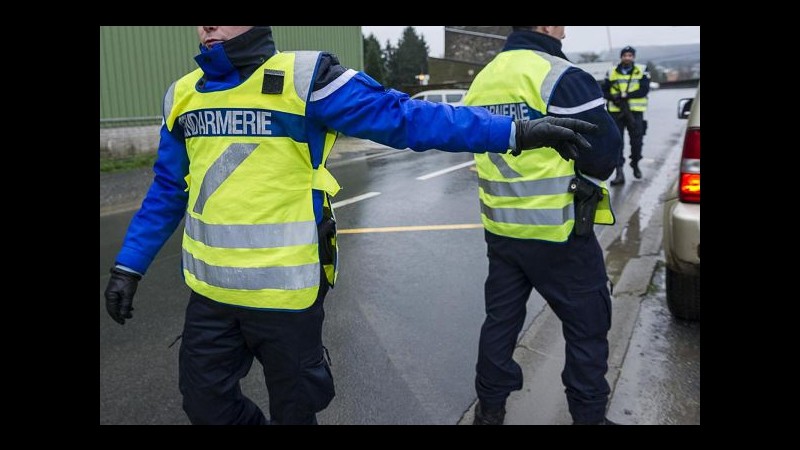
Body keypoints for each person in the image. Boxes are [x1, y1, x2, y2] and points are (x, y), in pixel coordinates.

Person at [102, 26, 599, 426]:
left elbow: (407, 118)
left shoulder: (305, 79)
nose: (207, 25)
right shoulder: (182, 96)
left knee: (295, 413)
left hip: (287, 299)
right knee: (204, 406)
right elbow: (168, 190)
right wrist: (129, 266)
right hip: (210, 298)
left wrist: (512, 131)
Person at [463, 26, 623, 425]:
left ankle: (490, 411)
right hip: (559, 232)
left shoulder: (483, 79)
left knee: (500, 325)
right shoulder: (561, 77)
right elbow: (602, 159)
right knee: (588, 325)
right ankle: (589, 417)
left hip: (502, 230)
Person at [603, 45, 651, 185]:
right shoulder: (611, 72)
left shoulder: (641, 70)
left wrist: (625, 95)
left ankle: (635, 163)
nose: (627, 58)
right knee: (617, 143)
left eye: (630, 55)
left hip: (634, 113)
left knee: (637, 142)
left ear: (633, 57)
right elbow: (603, 91)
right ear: (621, 57)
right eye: (625, 55)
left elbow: (644, 90)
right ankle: (619, 173)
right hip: (616, 112)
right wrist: (614, 97)